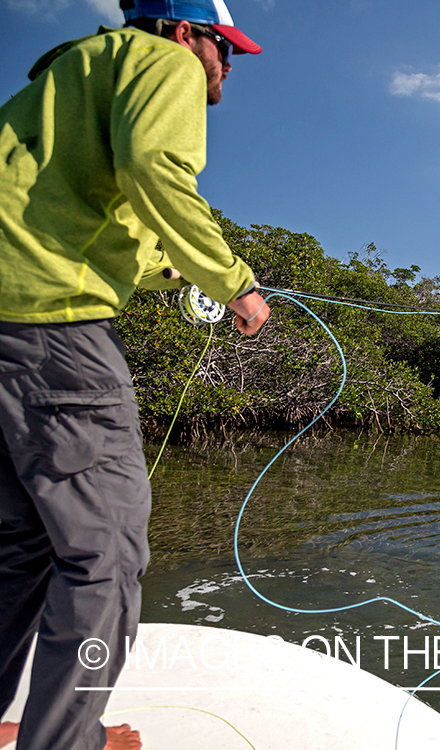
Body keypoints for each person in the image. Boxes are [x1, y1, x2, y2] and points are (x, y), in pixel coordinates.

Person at [0, 1, 270, 748]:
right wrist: (234, 281)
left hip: (9, 324)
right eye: (224, 49)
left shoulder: (66, 78)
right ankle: (67, 740)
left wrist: (170, 264)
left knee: (21, 544)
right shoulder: (163, 63)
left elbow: (84, 214)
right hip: (57, 327)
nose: (227, 66)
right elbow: (153, 166)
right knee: (105, 556)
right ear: (185, 32)